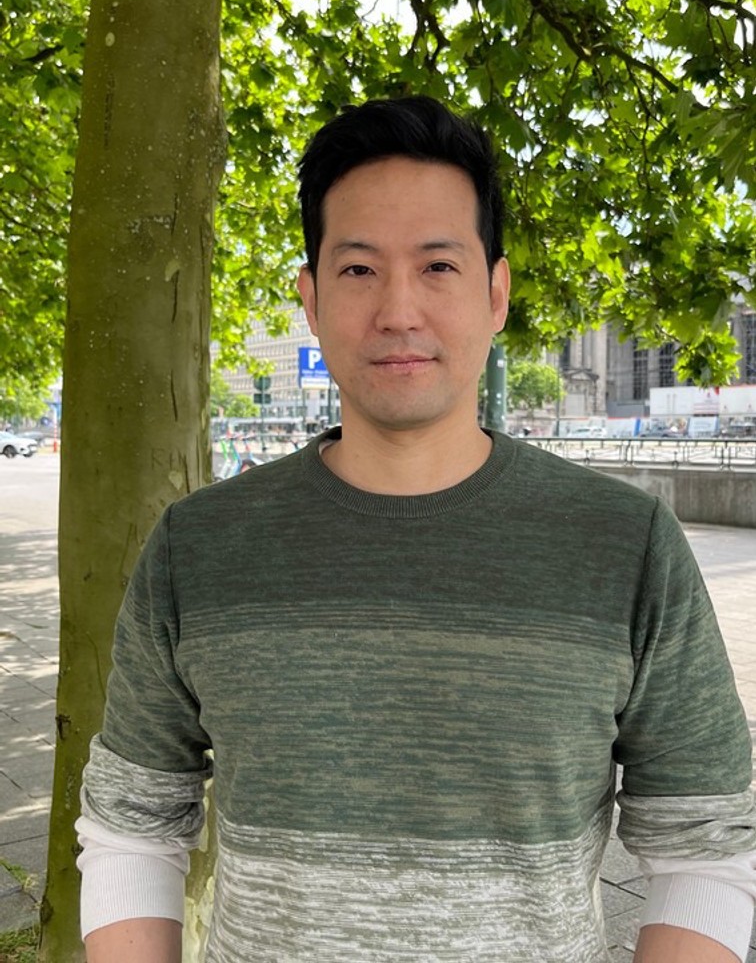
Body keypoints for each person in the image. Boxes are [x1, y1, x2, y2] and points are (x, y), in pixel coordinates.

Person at [77, 96, 756, 962]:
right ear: (311, 299)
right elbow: (133, 827)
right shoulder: (196, 548)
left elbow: (705, 847)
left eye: (438, 265)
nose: (399, 309)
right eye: (359, 269)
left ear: (496, 294)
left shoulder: (627, 546)